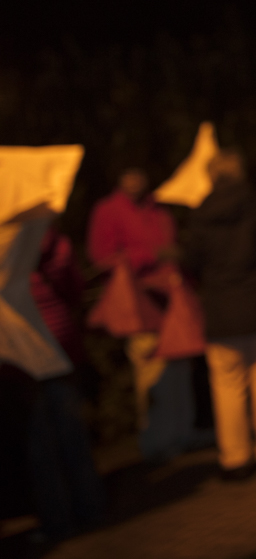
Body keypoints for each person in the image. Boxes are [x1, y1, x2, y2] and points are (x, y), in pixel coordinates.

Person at [180, 151, 256, 478]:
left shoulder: (199, 217)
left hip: (222, 312)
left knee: (228, 387)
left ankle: (236, 456)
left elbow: (190, 264)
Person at [86, 166, 197, 459]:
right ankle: (157, 439)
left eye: (139, 174)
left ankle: (181, 433)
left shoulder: (158, 208)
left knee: (178, 366)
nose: (135, 180)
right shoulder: (108, 211)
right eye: (129, 174)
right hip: (139, 302)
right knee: (151, 369)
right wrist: (151, 256)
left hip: (171, 298)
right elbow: (103, 257)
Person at [25, 216, 108, 540]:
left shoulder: (6, 245)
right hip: (60, 342)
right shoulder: (56, 241)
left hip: (22, 350)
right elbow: (75, 289)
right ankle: (92, 507)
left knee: (40, 442)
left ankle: (57, 519)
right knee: (72, 432)